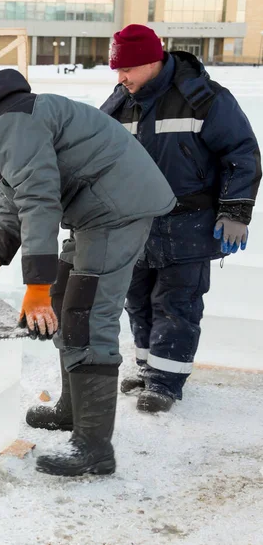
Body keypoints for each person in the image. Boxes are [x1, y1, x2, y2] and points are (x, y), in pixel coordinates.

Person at [0, 69, 175, 476]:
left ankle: (93, 448)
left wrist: (35, 284)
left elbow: (39, 201)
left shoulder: (11, 123)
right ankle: (73, 411)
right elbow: (16, 201)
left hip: (116, 209)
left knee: (86, 316)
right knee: (63, 301)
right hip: (94, 209)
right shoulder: (2, 125)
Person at [100, 24, 261, 413]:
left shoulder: (204, 98)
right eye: (117, 71)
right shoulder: (122, 100)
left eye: (127, 70)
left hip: (188, 221)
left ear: (152, 61)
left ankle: (166, 382)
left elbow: (242, 153)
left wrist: (236, 210)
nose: (120, 78)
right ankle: (147, 366)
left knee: (178, 303)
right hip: (135, 223)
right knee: (136, 299)